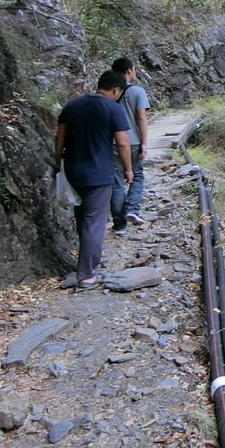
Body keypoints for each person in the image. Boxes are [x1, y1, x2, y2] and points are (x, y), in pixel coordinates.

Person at [54, 70, 133, 289]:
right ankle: (87, 274)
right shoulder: (113, 109)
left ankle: (86, 261)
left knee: (83, 217)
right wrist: (128, 169)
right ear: (116, 90)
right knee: (94, 222)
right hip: (98, 174)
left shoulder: (72, 106)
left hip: (73, 171)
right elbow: (123, 143)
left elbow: (59, 136)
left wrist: (57, 161)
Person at [110, 57, 150, 231]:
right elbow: (141, 117)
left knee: (117, 182)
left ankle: (119, 225)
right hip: (132, 142)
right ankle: (132, 209)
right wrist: (144, 143)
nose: (135, 73)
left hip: (112, 144)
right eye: (133, 69)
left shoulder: (110, 92)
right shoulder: (138, 92)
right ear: (128, 71)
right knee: (138, 175)